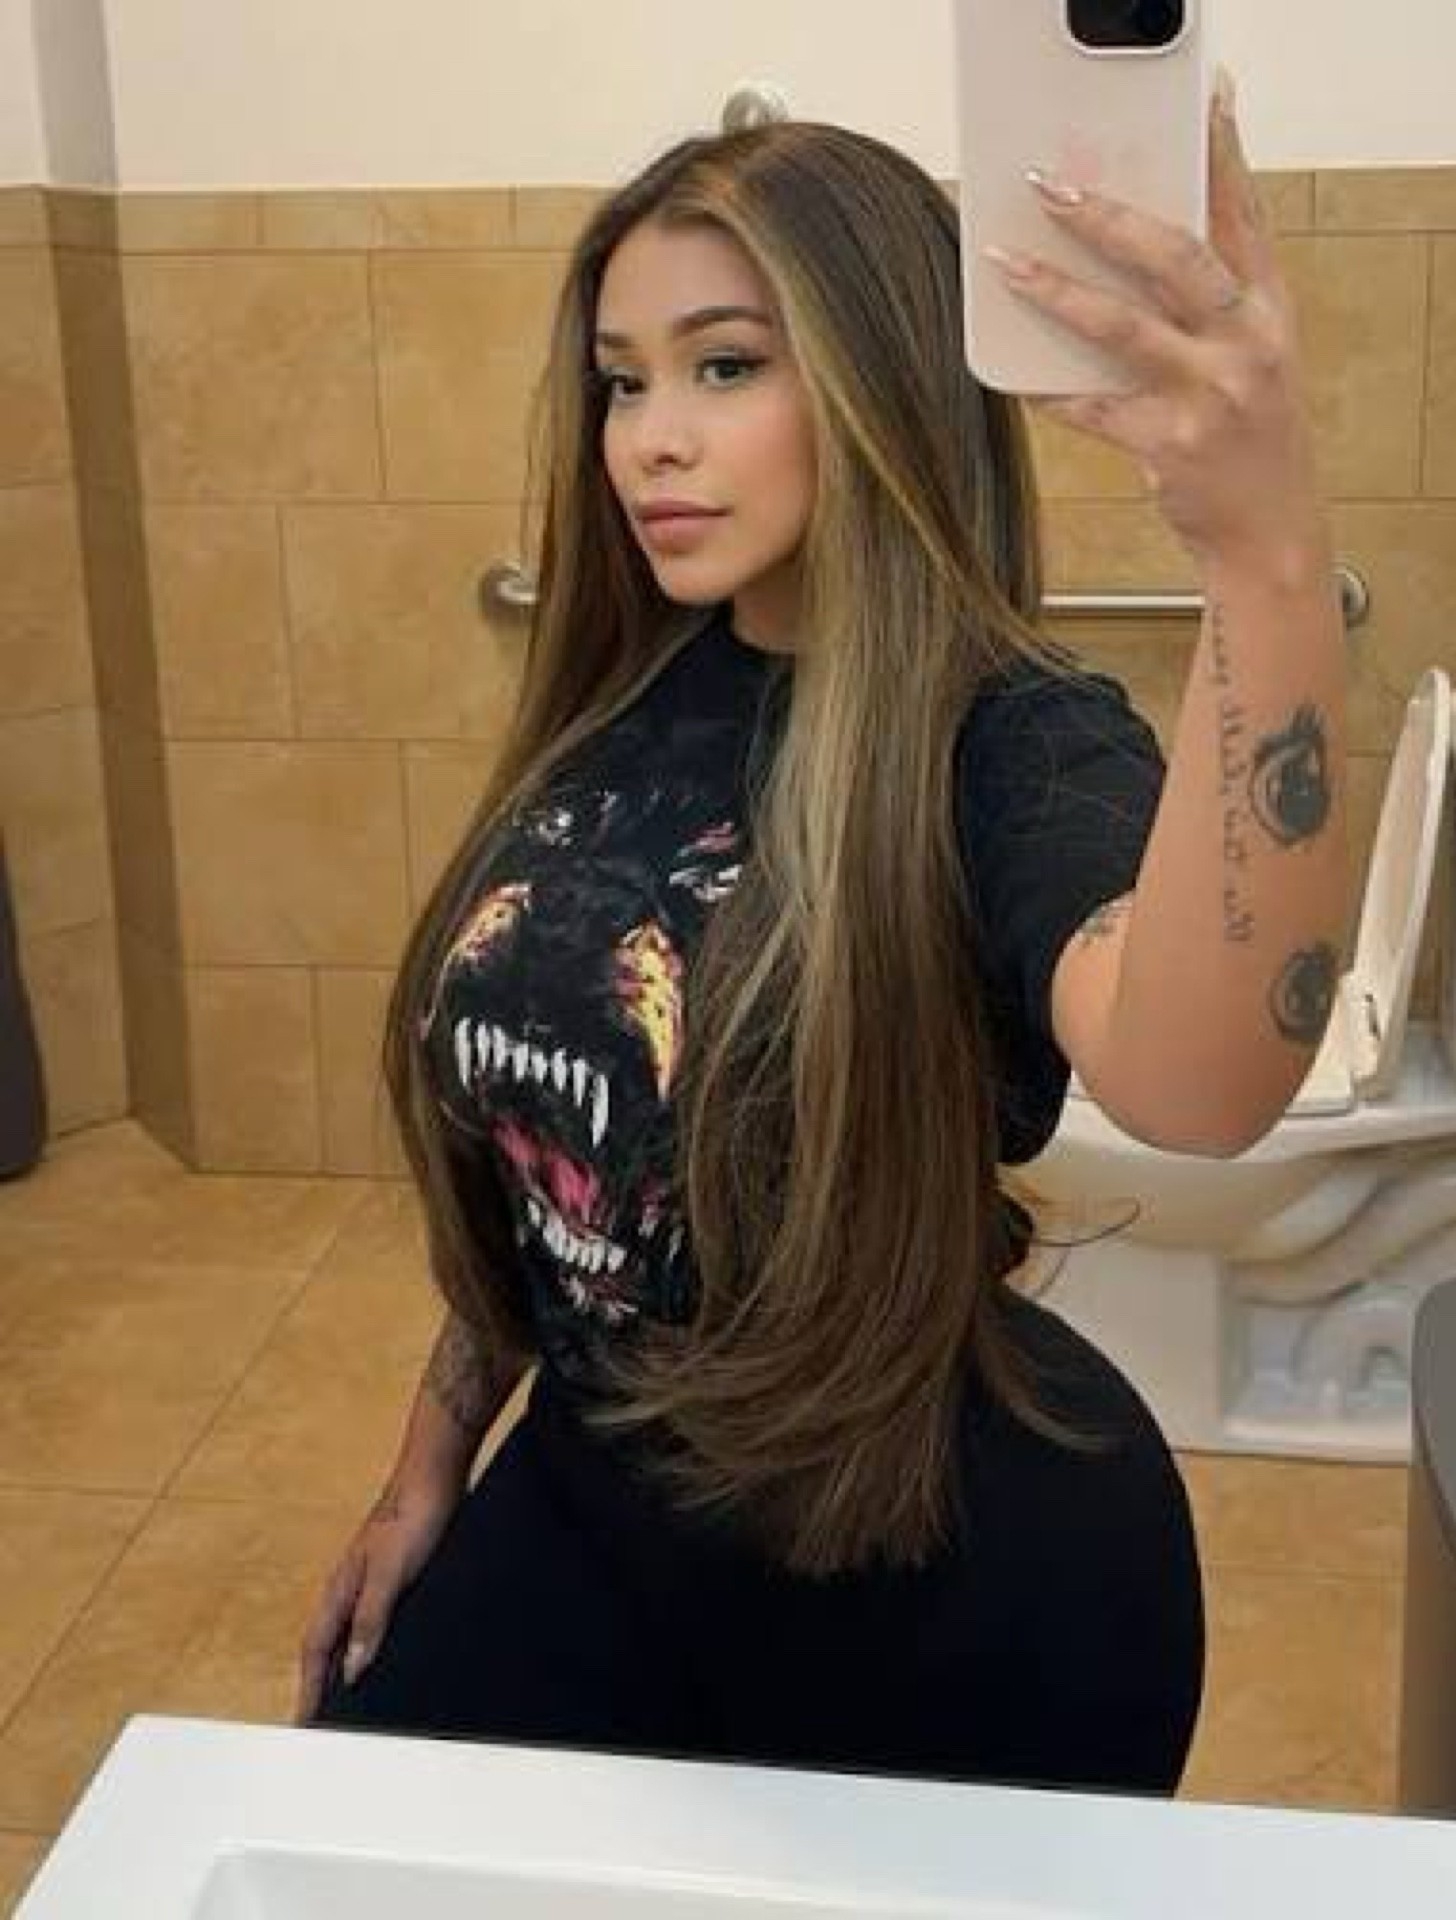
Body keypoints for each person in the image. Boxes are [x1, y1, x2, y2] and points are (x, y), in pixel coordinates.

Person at [297, 69, 1346, 1798]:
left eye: (725, 365)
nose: (651, 436)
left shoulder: (1011, 740)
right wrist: (429, 1468)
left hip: (935, 1584)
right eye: (623, 379)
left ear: (881, 375)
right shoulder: (613, 705)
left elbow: (1202, 1080)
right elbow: (552, 1165)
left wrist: (1264, 553)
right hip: (591, 1507)